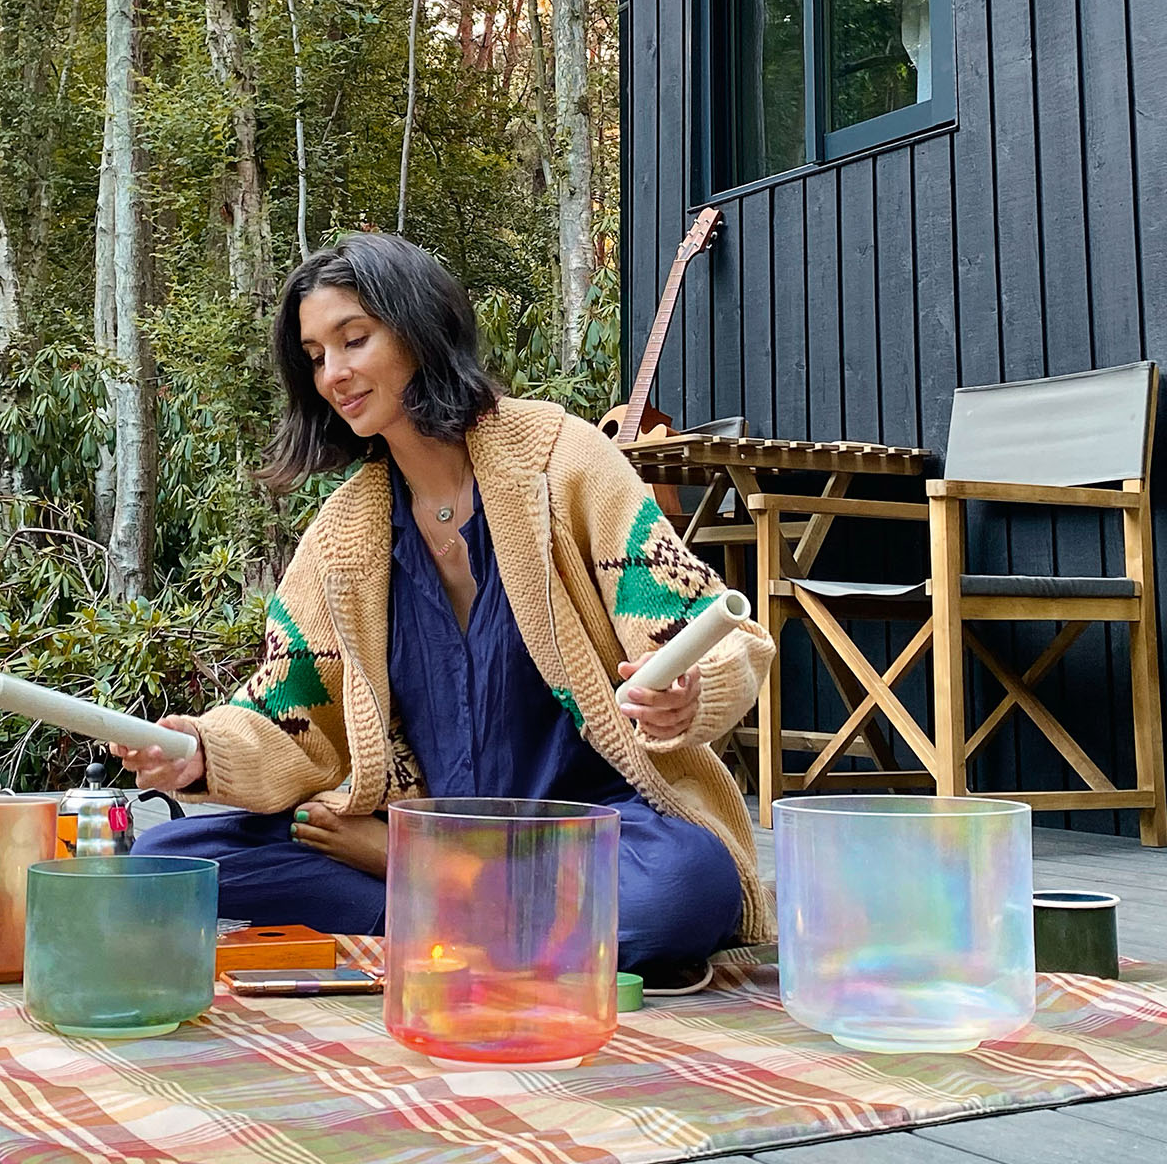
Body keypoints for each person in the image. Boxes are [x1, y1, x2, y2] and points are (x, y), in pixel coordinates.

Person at [115, 233, 776, 978]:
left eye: (353, 339)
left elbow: (704, 629)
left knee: (685, 888)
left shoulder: (565, 461)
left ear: (419, 328)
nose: (333, 373)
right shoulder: (343, 537)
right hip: (434, 822)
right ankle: (492, 912)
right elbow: (288, 707)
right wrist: (201, 750)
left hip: (587, 833)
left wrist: (685, 693)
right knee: (170, 853)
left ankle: (425, 885)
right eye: (314, 355)